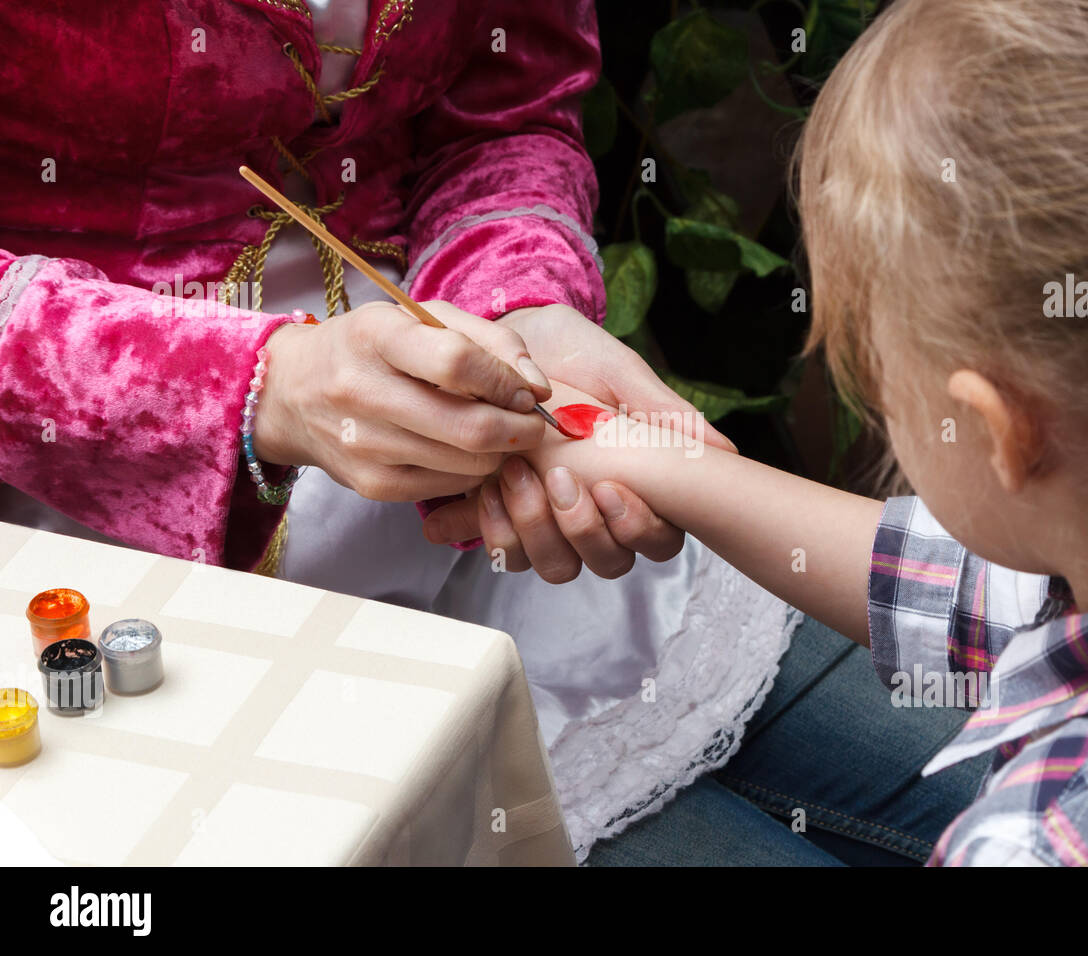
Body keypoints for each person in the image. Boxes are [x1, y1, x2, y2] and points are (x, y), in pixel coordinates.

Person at [481, 0, 1088, 864]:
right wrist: (631, 451)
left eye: (877, 379)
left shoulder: (1041, 843)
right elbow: (966, 589)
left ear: (1002, 432)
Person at [0, 0, 815, 861]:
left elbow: (507, 117)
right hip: (122, 554)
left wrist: (519, 296)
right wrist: (252, 389)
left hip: (503, 515)